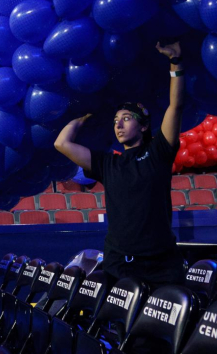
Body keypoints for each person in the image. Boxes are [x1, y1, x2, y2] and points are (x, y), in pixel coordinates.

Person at [54, 41, 186, 291]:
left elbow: (175, 106)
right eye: (116, 121)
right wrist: (83, 118)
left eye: (127, 119)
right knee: (119, 329)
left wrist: (176, 62)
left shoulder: (159, 152)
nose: (119, 125)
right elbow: (62, 143)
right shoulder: (107, 163)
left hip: (161, 267)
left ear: (144, 126)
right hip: (118, 267)